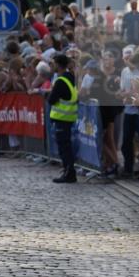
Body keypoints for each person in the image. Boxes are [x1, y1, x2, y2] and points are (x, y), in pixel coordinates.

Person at [48, 52, 78, 183]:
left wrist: (49, 94)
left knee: (64, 148)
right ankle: (68, 171)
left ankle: (69, 173)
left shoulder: (60, 81)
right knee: (66, 147)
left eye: (53, 64)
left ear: (57, 65)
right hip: (69, 117)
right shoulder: (70, 77)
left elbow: (51, 100)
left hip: (62, 118)